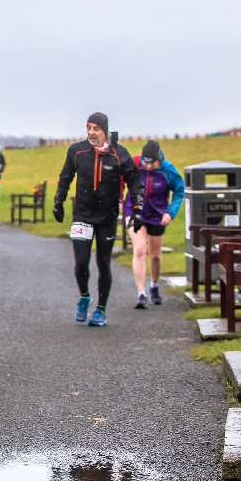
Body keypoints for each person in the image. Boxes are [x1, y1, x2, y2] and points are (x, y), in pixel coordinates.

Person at [52, 112, 144, 327]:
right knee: (81, 262)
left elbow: (135, 182)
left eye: (96, 129)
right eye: (88, 128)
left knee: (103, 264)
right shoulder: (77, 151)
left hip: (107, 216)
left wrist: (138, 209)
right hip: (82, 214)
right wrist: (58, 202)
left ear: (105, 131)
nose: (91, 133)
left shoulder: (119, 154)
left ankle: (101, 309)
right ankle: (84, 296)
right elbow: (65, 177)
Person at [125, 140, 184, 308]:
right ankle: (141, 294)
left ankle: (154, 285)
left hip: (158, 214)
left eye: (152, 163)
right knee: (139, 250)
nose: (148, 166)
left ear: (159, 159)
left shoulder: (168, 170)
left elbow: (179, 191)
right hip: (136, 211)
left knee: (155, 255)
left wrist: (170, 212)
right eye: (145, 162)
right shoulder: (135, 164)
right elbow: (119, 179)